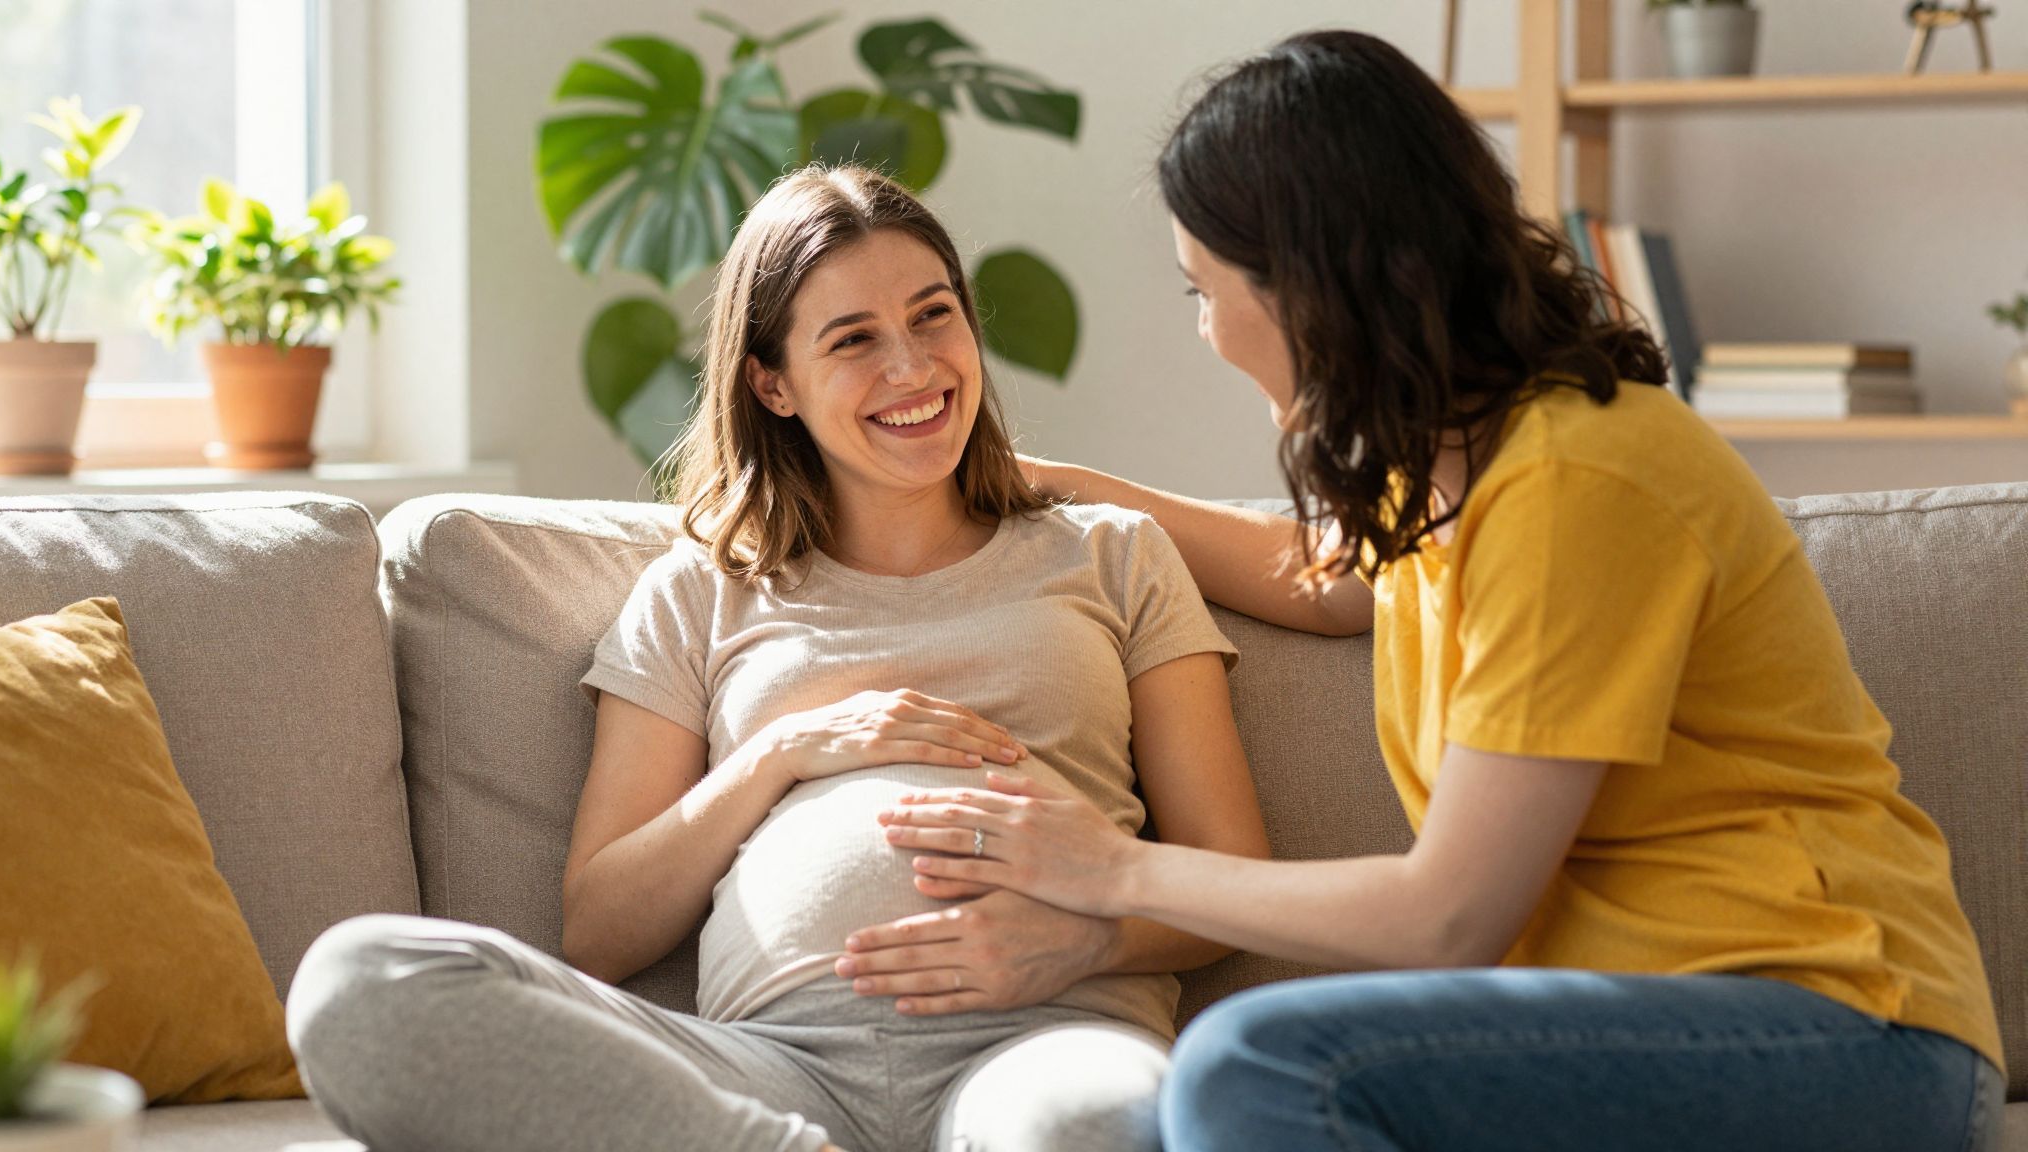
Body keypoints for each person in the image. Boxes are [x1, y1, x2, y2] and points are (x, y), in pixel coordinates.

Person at [878, 30, 2006, 1152]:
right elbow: (1322, 584)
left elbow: (1449, 913)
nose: (1208, 329)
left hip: (1841, 1027)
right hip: (1656, 1030)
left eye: (1201, 289)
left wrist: (1115, 868)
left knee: (1252, 1062)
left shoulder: (1575, 478)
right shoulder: (1452, 466)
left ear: (1311, 288)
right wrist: (1057, 487)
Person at [281, 165, 1269, 1152]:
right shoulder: (697, 591)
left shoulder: (1111, 553)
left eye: (933, 316)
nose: (912, 368)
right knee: (362, 980)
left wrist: (1074, 943)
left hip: (1044, 1037)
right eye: (852, 340)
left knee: (1093, 1125)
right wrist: (780, 751)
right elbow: (600, 929)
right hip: (768, 1071)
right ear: (772, 383)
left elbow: (1232, 881)